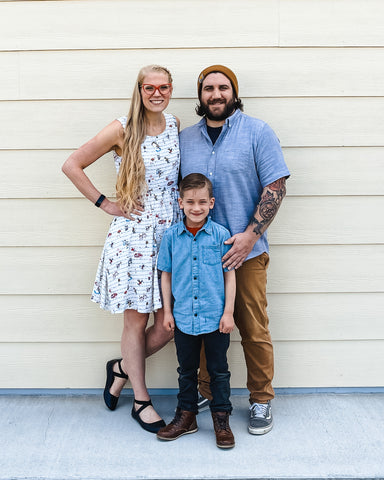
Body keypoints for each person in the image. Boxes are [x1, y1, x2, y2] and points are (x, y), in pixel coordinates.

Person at [62, 65, 181, 434]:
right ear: (140, 90)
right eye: (150, 87)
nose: (156, 93)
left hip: (172, 233)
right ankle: (141, 399)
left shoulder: (176, 125)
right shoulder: (122, 128)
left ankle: (122, 369)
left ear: (171, 89)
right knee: (136, 318)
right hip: (135, 238)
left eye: (163, 87)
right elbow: (72, 164)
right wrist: (106, 203)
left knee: (169, 323)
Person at [179, 65, 290, 435]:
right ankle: (208, 392)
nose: (216, 94)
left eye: (223, 87)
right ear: (200, 96)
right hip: (200, 254)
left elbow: (275, 186)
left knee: (252, 328)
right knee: (207, 328)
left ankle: (261, 400)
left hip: (247, 253)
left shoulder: (257, 131)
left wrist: (249, 235)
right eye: (208, 88)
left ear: (234, 92)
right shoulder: (184, 139)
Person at [156, 173, 236, 448]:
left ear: (211, 203)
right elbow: (165, 275)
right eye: (190, 202)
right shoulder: (171, 237)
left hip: (216, 318)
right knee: (186, 370)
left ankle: (221, 419)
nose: (196, 207)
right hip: (183, 317)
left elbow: (229, 276)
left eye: (202, 202)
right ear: (180, 202)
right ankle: (186, 416)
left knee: (219, 371)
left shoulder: (221, 235)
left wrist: (228, 312)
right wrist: (167, 312)